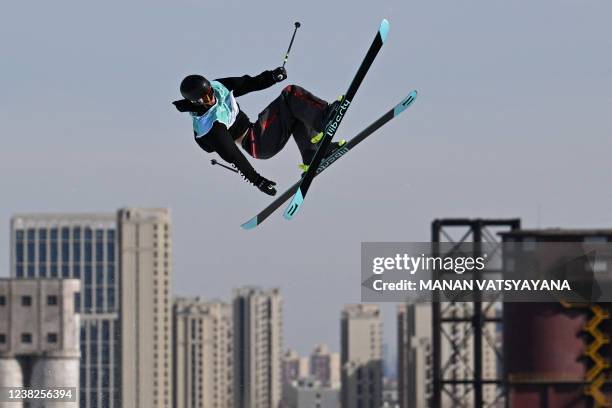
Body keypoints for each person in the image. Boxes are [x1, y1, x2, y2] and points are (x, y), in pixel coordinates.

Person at [172, 67, 340, 196]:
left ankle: (314, 153)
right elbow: (233, 156)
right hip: (257, 144)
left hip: (255, 130)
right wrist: (257, 181)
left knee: (293, 111)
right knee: (290, 94)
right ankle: (325, 116)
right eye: (207, 98)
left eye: (210, 92)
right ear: (196, 102)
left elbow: (246, 84)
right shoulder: (208, 125)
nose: (212, 98)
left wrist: (271, 77)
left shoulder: (218, 88)